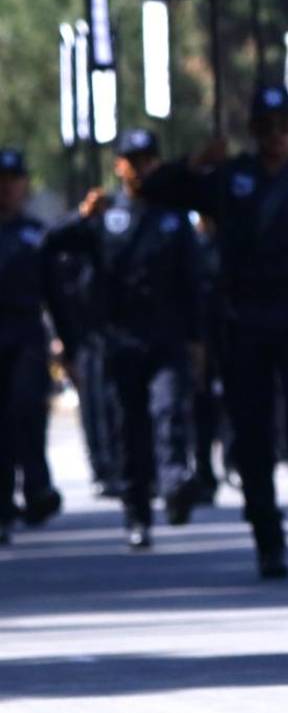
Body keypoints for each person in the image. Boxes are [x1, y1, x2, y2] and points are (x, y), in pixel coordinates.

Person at [144, 88, 288, 578]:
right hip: (245, 320)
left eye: (283, 126)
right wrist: (195, 162)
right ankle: (268, 536)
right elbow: (157, 190)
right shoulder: (228, 179)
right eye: (266, 126)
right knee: (253, 434)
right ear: (253, 131)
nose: (275, 136)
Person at [46, 129, 205, 547]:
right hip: (120, 340)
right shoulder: (105, 214)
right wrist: (82, 216)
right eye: (133, 160)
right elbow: (51, 245)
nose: (141, 167)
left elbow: (194, 282)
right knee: (129, 429)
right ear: (120, 165)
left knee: (168, 411)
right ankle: (138, 512)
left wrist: (198, 339)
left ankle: (174, 485)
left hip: (166, 338)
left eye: (148, 158)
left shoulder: (173, 218)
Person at [0, 147, 61, 543]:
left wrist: (67, 343)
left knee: (26, 410)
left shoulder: (36, 234)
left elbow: (57, 296)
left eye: (13, 181)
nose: (6, 189)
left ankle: (36, 485)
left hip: (25, 335)